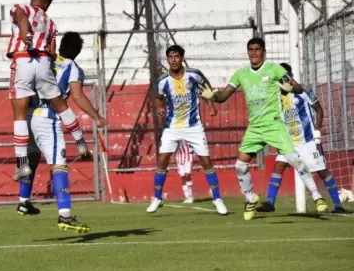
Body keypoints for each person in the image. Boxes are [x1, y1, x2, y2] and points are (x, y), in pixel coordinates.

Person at [199, 37, 327, 220]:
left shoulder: (275, 69)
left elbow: (298, 89)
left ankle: (317, 196)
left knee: (294, 159)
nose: (253, 52)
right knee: (240, 166)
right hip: (255, 127)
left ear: (263, 51)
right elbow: (223, 96)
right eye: (250, 49)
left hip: (274, 124)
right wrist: (211, 96)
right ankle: (250, 197)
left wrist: (290, 87)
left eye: (257, 49)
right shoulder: (241, 73)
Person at [17, 32, 105, 232]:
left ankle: (24, 201)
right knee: (59, 165)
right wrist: (97, 117)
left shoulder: (42, 59)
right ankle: (65, 215)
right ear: (78, 51)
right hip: (48, 118)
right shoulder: (73, 68)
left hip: (27, 115)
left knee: (32, 157)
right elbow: (77, 96)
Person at [7, 0, 88, 181]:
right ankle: (80, 142)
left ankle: (22, 164)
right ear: (47, 4)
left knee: (19, 113)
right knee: (61, 105)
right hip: (43, 62)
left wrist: (25, 35)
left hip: (23, 59)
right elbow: (52, 52)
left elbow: (21, 16)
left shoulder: (22, 7)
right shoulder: (50, 24)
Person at [147, 45, 227, 215]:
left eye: (177, 56)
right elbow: (156, 96)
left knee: (206, 162)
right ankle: (157, 198)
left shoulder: (194, 74)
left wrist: (211, 105)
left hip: (193, 126)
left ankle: (217, 199)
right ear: (167, 59)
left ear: (182, 58)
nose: (173, 60)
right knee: (162, 161)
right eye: (170, 57)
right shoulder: (163, 80)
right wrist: (160, 107)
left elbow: (206, 90)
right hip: (172, 127)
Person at [256, 63, 345, 214]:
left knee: (322, 171)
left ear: (291, 77)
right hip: (288, 141)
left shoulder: (302, 91)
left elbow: (318, 109)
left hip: (308, 140)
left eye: (286, 76)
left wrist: (317, 129)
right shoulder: (275, 96)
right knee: (279, 166)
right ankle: (270, 203)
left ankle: (338, 205)